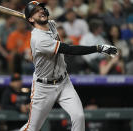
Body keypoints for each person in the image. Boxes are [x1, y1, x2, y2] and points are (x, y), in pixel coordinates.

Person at [20, 1, 117, 131]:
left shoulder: (52, 25)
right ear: (31, 19)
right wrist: (98, 48)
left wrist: (39, 17)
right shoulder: (38, 39)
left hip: (64, 82)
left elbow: (50, 21)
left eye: (41, 8)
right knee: (32, 128)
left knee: (79, 116)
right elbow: (70, 49)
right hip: (43, 88)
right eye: (36, 11)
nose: (41, 11)